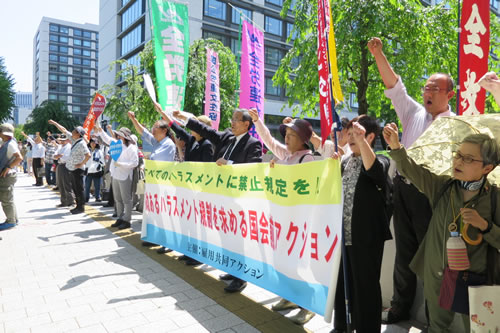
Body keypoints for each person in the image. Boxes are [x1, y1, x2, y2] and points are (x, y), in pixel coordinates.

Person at [368, 37, 456, 324]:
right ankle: (399, 307)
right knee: (403, 251)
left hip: (431, 195)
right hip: (402, 189)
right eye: (426, 87)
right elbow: (394, 85)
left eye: (435, 88)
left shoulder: (454, 125)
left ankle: (434, 318)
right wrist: (378, 53)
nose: (428, 92)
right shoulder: (414, 112)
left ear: (449, 95)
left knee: (432, 259)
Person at [383, 125, 500, 332]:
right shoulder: (443, 186)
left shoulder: (494, 199)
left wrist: (484, 225)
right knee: (437, 326)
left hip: (474, 280)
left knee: (476, 328)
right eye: (458, 155)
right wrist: (396, 146)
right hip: (438, 274)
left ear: (487, 168)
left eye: (468, 159)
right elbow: (413, 171)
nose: (458, 161)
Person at [174, 108, 262, 293]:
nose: (232, 122)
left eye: (237, 120)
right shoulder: (227, 138)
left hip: (238, 200)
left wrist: (229, 165)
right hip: (221, 197)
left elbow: (253, 170)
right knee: (226, 236)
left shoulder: (253, 144)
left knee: (237, 239)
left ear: (247, 124)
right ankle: (232, 269)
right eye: (232, 119)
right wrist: (186, 118)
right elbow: (207, 131)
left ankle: (241, 278)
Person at [249, 109, 316, 325]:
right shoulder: (286, 156)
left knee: (299, 264)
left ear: (303, 139)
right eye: (285, 135)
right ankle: (289, 297)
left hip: (298, 222)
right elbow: (268, 140)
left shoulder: (308, 160)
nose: (286, 139)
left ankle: (308, 305)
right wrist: (258, 122)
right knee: (284, 261)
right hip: (281, 221)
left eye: (292, 135)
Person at [331, 116, 392, 333]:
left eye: (356, 133)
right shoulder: (345, 162)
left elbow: (374, 170)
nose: (350, 138)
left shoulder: (382, 161)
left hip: (366, 237)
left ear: (370, 136)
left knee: (366, 286)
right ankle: (342, 326)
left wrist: (361, 141)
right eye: (349, 134)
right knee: (342, 284)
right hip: (342, 236)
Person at [156, 103, 214, 264]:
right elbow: (177, 128)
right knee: (187, 222)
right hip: (186, 188)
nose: (190, 129)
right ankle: (189, 250)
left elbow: (206, 170)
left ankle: (199, 255)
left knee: (198, 225)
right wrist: (164, 114)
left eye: (195, 126)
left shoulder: (207, 145)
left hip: (198, 191)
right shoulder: (192, 140)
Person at [95, 125, 139, 229]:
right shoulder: (116, 144)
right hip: (115, 175)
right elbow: (106, 138)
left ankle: (127, 220)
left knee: (126, 199)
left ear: (126, 136)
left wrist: (121, 164)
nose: (118, 137)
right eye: (118, 135)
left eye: (121, 135)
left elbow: (134, 163)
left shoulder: (131, 147)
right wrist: (100, 129)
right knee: (117, 199)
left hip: (125, 175)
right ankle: (120, 218)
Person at [49, 120, 91, 214]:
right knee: (75, 188)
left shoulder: (82, 143)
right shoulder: (75, 141)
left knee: (79, 189)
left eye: (74, 131)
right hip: (72, 169)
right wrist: (55, 123)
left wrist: (82, 163)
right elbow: (64, 130)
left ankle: (81, 207)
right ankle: (78, 205)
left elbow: (88, 155)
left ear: (78, 134)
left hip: (78, 169)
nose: (72, 132)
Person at [0, 124, 23, 230]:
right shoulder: (7, 142)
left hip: (7, 176)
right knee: (8, 199)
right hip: (7, 175)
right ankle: (14, 219)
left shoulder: (10, 144)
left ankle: (11, 221)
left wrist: (8, 167)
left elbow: (19, 158)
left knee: (6, 199)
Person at [54, 134, 74, 207]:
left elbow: (65, 157)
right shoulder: (60, 146)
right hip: (60, 165)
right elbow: (55, 156)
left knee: (67, 183)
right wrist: (59, 156)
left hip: (66, 165)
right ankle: (64, 201)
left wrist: (58, 156)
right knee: (60, 184)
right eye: (61, 140)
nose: (62, 141)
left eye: (63, 140)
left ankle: (71, 201)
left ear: (67, 140)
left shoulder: (68, 147)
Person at [85, 138, 104, 203]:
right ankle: (86, 197)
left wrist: (100, 166)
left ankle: (97, 197)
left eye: (95, 143)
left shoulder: (99, 151)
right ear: (89, 143)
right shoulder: (87, 151)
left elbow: (102, 161)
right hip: (88, 171)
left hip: (97, 171)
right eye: (92, 142)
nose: (93, 144)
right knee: (87, 186)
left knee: (97, 186)